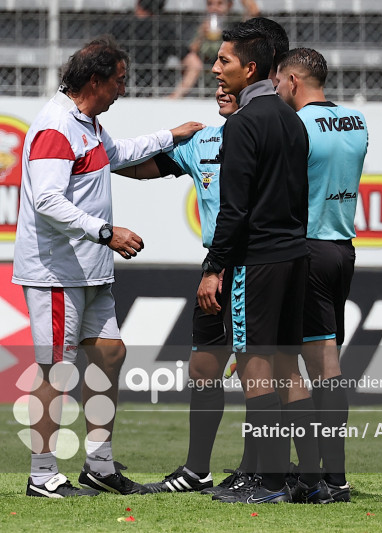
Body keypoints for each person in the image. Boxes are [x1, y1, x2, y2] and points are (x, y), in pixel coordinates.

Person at [12, 35, 204, 499]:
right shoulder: (57, 127)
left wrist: (172, 136)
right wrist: (106, 232)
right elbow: (47, 200)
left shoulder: (87, 123)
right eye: (119, 81)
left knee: (111, 355)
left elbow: (117, 157)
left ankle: (98, 464)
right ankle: (42, 476)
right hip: (57, 272)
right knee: (56, 370)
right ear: (94, 80)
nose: (123, 90)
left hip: (89, 271)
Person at [196, 19, 311, 504]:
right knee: (290, 369)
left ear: (252, 67)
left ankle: (268, 481)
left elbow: (235, 209)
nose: (215, 70)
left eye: (224, 62)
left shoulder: (243, 123)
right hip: (294, 257)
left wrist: (213, 268)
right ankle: (309, 476)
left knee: (256, 367)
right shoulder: (290, 118)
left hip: (256, 262)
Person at [112, 87, 237, 494]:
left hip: (265, 262)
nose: (219, 84)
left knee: (267, 368)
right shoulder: (205, 139)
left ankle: (269, 468)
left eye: (226, 71)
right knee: (203, 368)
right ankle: (198, 470)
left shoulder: (277, 131)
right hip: (218, 265)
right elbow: (139, 167)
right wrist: (98, 157)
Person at [276, 47, 369, 503]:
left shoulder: (296, 126)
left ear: (294, 79)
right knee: (327, 365)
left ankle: (328, 479)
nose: (276, 90)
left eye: (278, 82)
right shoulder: (358, 121)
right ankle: (329, 474)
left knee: (316, 367)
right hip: (342, 248)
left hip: (307, 249)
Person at [169, 0, 259, 99]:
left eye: (220, 4)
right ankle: (175, 97)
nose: (214, 8)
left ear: (229, 6)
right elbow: (188, 54)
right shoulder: (199, 25)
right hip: (203, 75)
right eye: (210, 4)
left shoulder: (235, 24)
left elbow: (253, 11)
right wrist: (200, 36)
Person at [111, 0, 181, 97]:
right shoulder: (164, 29)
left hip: (122, 89)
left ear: (138, 4)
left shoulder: (120, 26)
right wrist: (175, 96)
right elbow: (193, 63)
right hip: (154, 91)